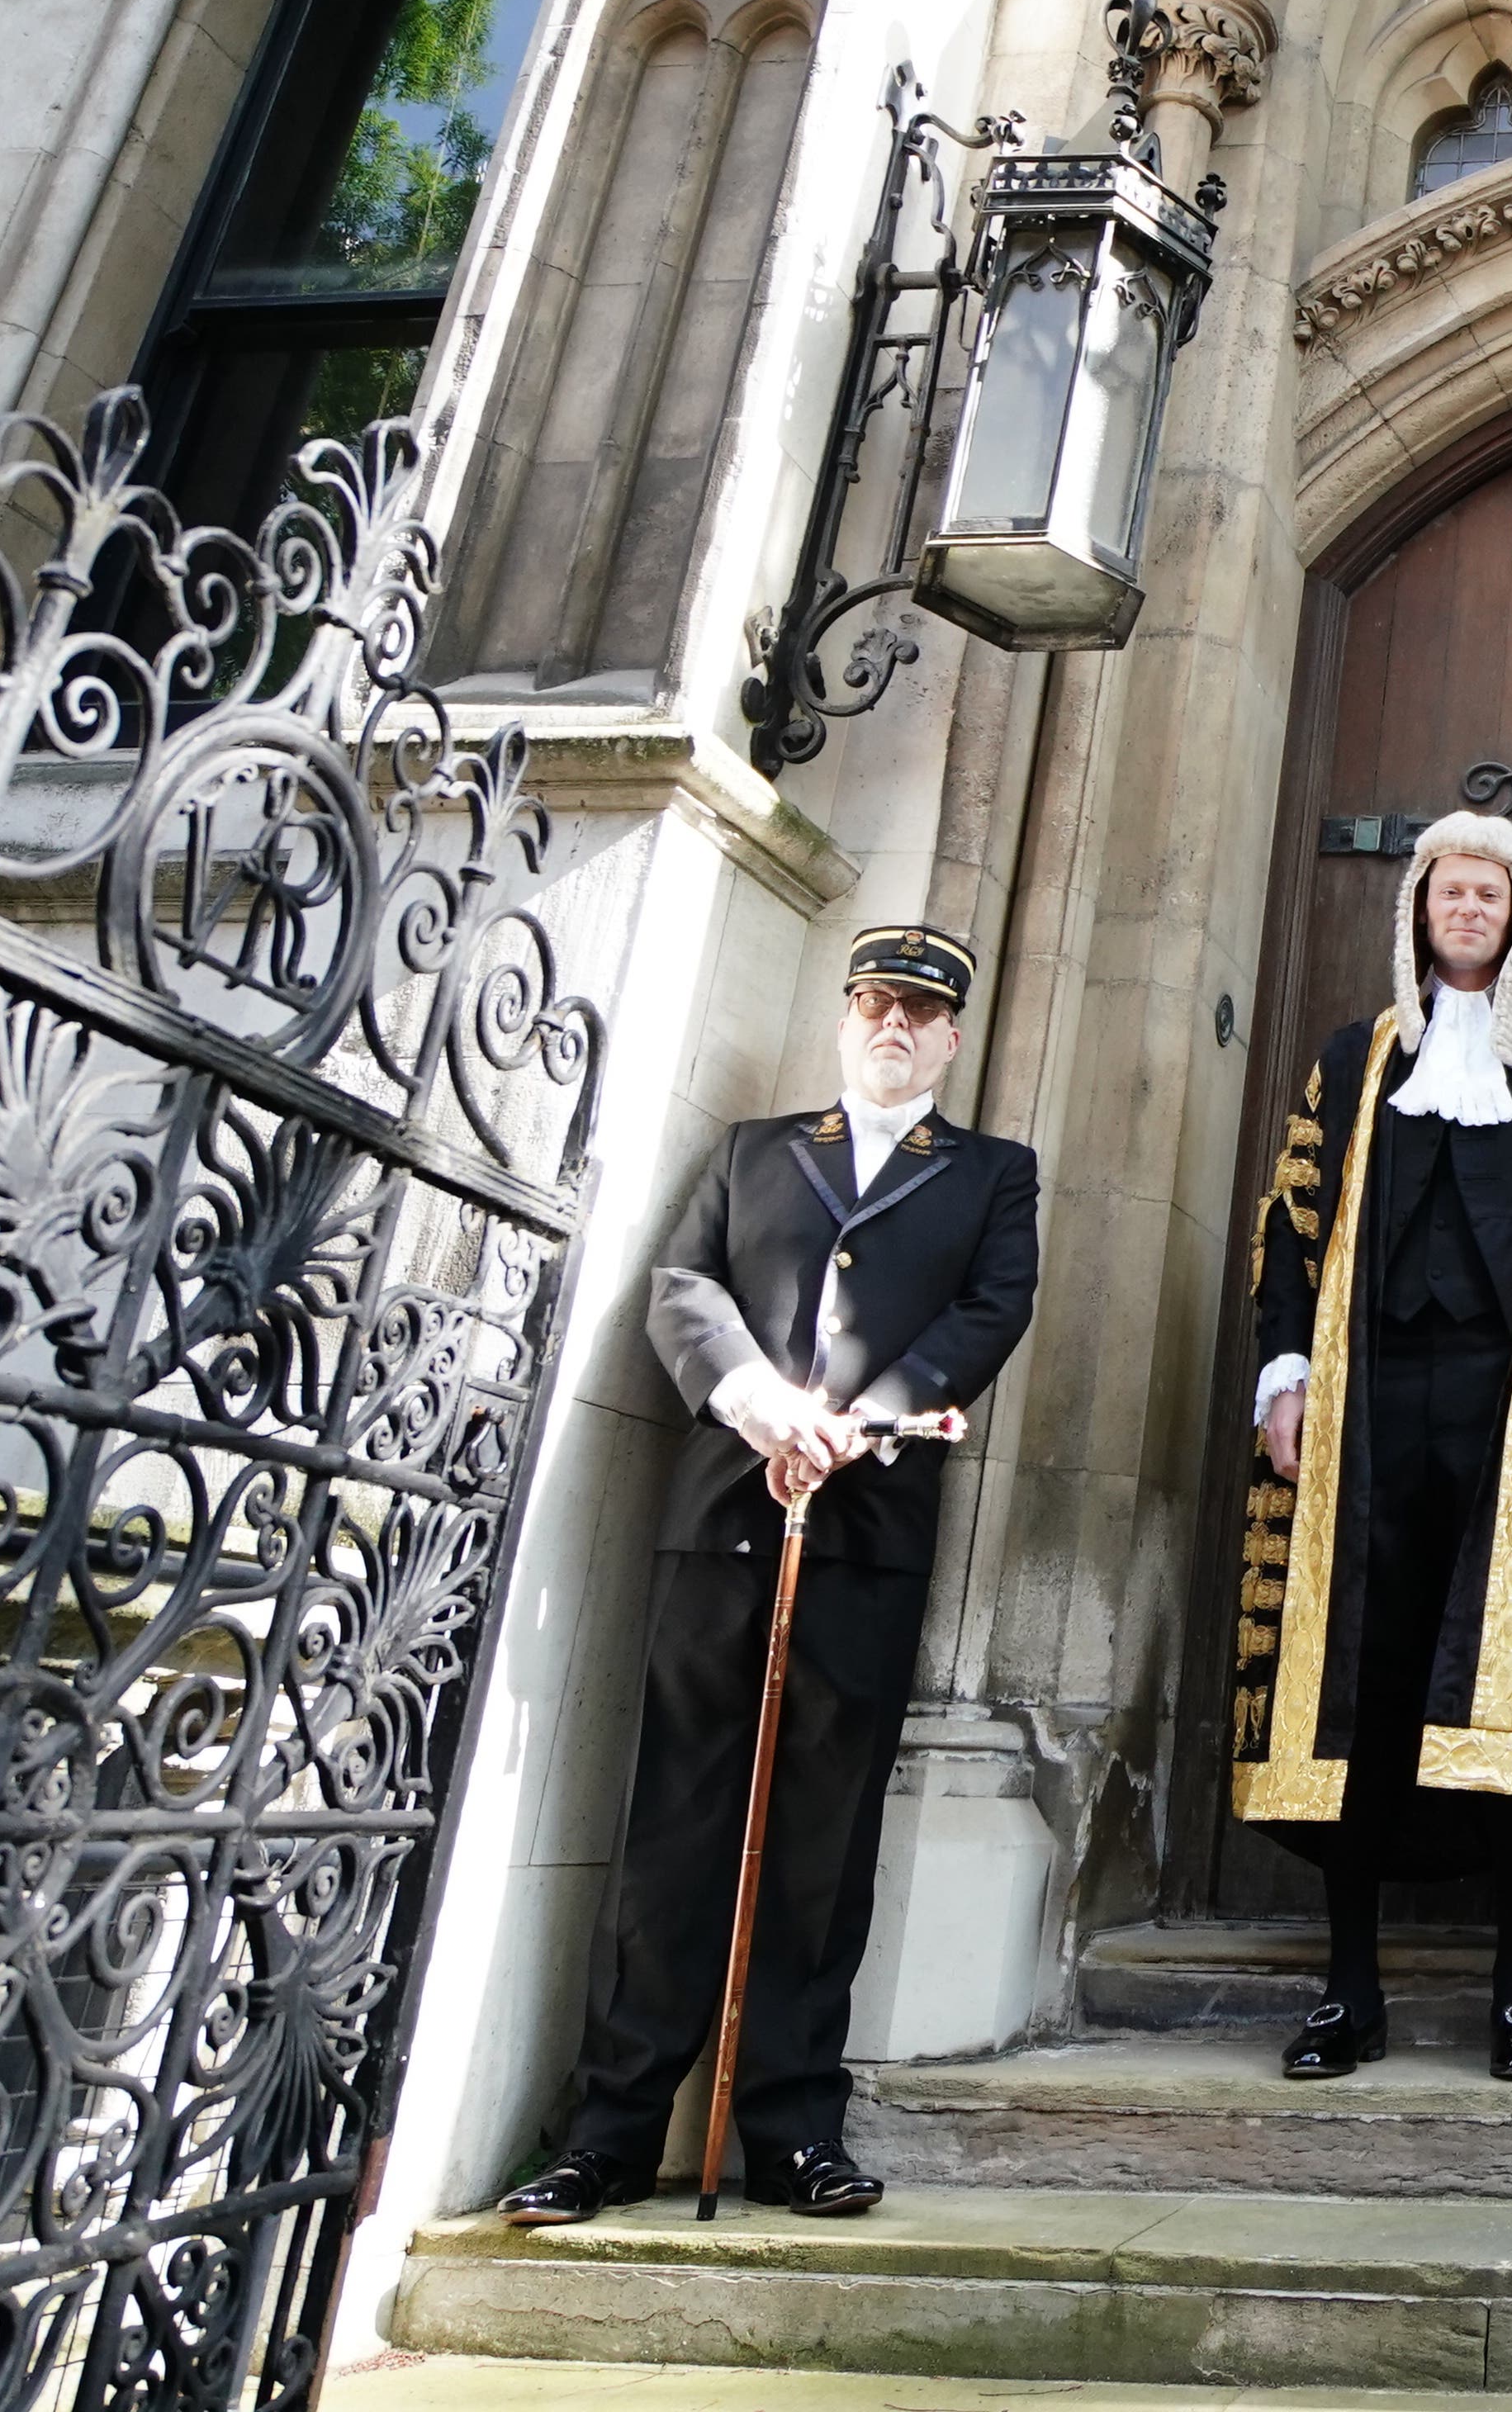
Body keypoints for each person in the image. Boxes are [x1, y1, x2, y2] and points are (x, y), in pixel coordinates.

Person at [499, 923, 1042, 2224]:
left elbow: (990, 1311)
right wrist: (752, 1397)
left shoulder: (993, 1174)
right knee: (676, 1821)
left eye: (919, 1010)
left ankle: (793, 2130)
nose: (893, 1026)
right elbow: (680, 1284)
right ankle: (613, 2132)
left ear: (952, 1037)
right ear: (845, 1018)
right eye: (873, 1003)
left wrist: (860, 1419)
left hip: (863, 1532)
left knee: (819, 1838)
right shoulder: (751, 1152)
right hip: (724, 1519)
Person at [1231, 811, 1512, 2082]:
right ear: (1417, 909)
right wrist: (1286, 1375)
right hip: (1363, 1409)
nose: (1469, 911)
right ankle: (1348, 1988)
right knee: (1369, 1679)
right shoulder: (1352, 1059)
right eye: (1449, 892)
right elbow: (1291, 1225)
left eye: (1490, 895)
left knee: (1506, 1683)